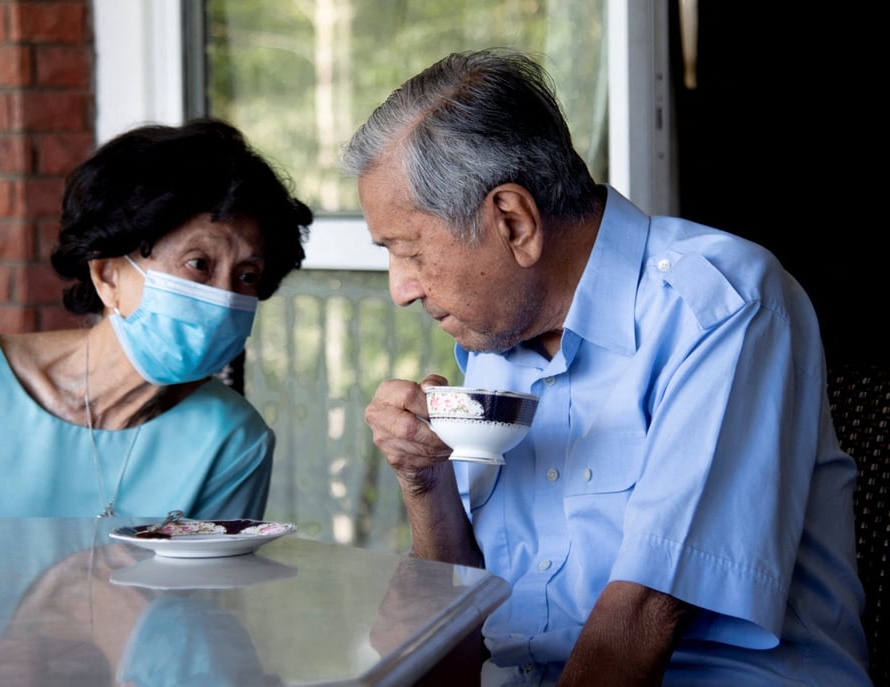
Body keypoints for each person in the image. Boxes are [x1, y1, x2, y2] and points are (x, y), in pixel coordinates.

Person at [341, 48, 870, 686]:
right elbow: (454, 641)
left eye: (409, 251)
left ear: (513, 221)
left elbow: (645, 617)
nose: (401, 289)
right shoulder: (496, 342)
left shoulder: (720, 305)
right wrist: (424, 483)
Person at [0, 118, 312, 519]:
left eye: (247, 275)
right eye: (198, 264)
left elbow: (202, 603)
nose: (223, 297)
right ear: (107, 276)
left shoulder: (233, 441)